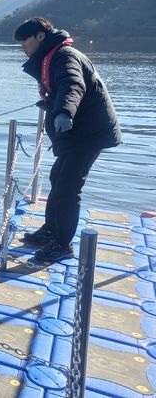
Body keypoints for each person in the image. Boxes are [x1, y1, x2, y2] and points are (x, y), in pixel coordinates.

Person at [14, 17, 122, 261]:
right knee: (58, 178)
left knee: (68, 187)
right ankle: (51, 231)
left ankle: (62, 245)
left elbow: (73, 85)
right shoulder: (54, 54)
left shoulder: (64, 55)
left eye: (25, 40)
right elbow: (62, 88)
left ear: (41, 36)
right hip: (80, 131)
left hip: (88, 133)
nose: (23, 46)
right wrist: (52, 102)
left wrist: (63, 111)